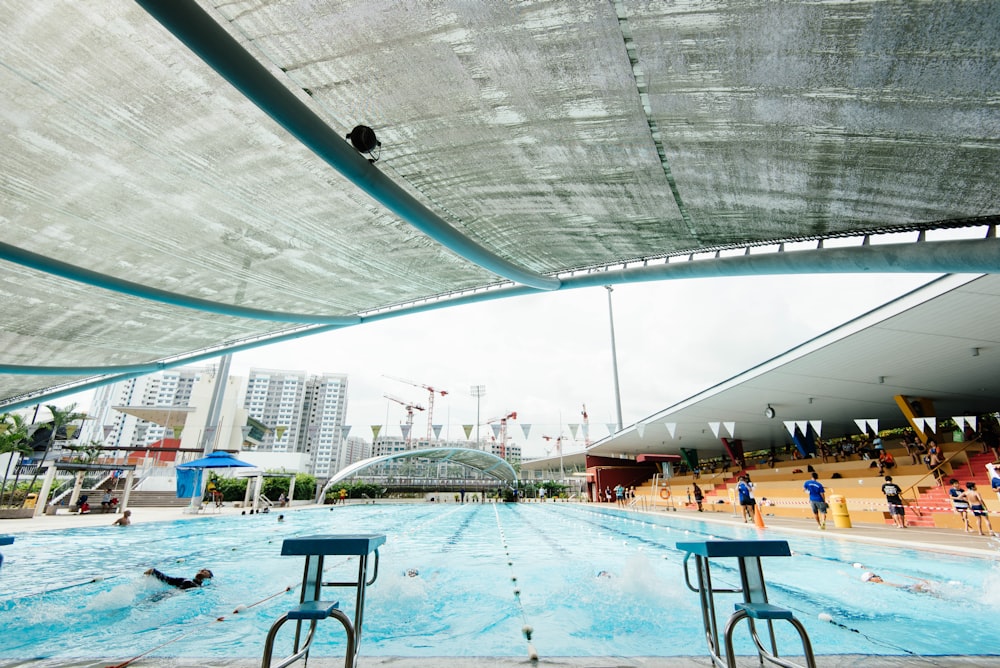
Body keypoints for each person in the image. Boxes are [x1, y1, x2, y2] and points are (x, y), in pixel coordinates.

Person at [860, 571, 933, 593]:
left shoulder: (882, 584)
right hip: (907, 589)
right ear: (870, 580)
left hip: (906, 588)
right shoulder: (882, 584)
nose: (878, 576)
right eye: (874, 576)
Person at [144, 567, 213, 590]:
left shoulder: (202, 588)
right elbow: (168, 580)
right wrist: (154, 572)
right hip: (166, 596)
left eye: (206, 571)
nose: (203, 570)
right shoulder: (185, 580)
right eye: (202, 570)